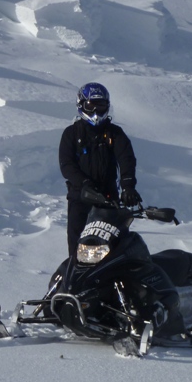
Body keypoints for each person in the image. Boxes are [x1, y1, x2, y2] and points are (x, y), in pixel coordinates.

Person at [58, 82, 141, 259]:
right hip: (80, 198)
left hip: (108, 199)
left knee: (110, 245)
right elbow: (66, 164)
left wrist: (128, 186)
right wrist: (84, 183)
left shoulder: (115, 133)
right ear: (81, 105)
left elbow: (126, 159)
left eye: (101, 105)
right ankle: (76, 284)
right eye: (91, 105)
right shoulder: (71, 133)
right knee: (78, 247)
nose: (96, 110)